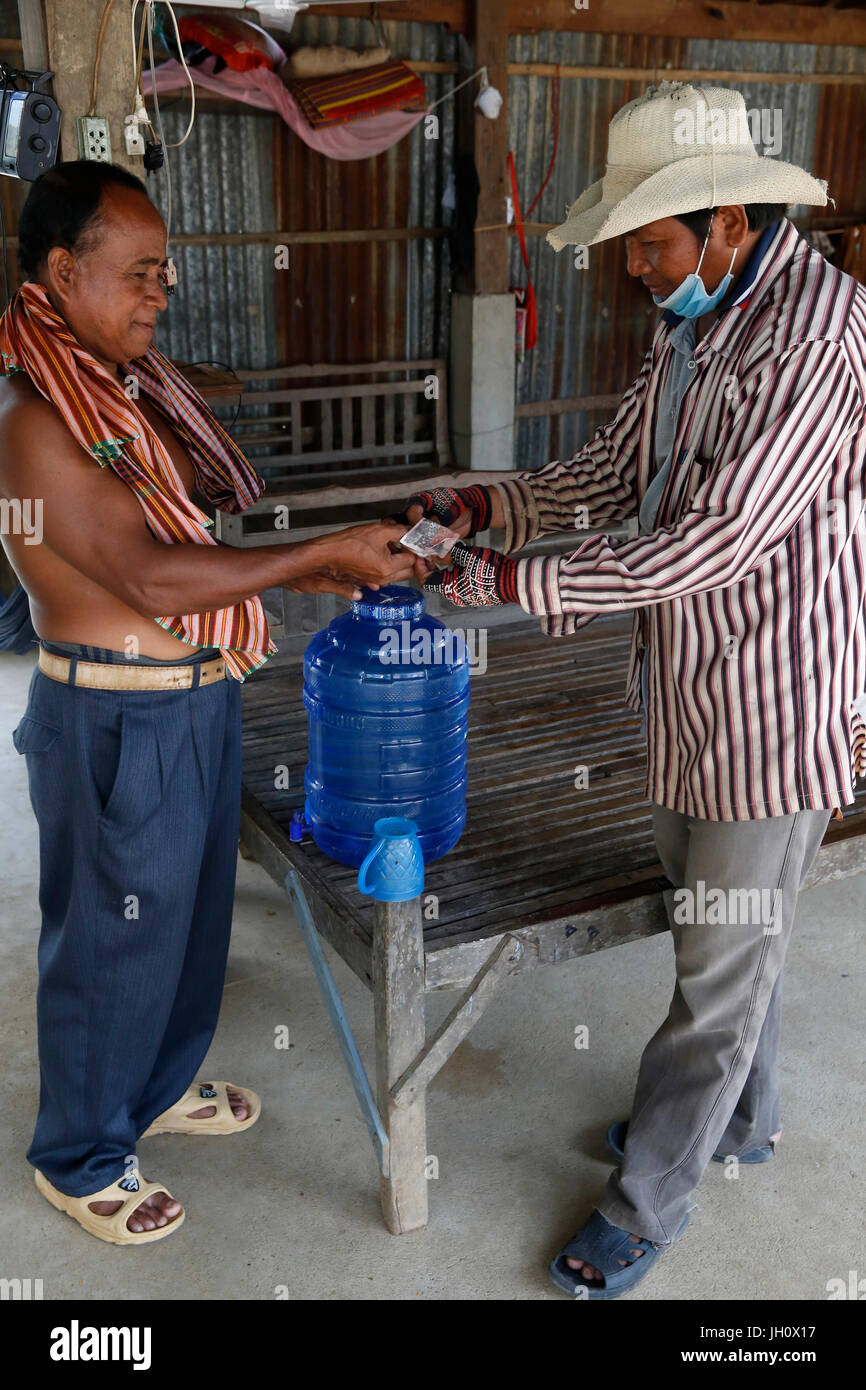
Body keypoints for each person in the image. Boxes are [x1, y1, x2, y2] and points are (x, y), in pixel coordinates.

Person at [405, 82, 866, 1299]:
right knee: (733, 934)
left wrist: (511, 579)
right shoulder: (691, 325)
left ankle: (647, 1199)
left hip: (769, 703)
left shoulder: (812, 338)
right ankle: (739, 1122)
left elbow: (714, 540)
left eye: (648, 246)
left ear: (724, 222)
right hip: (682, 689)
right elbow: (609, 474)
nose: (631, 271)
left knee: (715, 970)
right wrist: (483, 504)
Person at [0, 159, 413, 1246]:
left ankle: (156, 1083)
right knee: (109, 939)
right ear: (60, 269)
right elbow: (147, 576)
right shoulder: (39, 419)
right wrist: (310, 554)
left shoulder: (117, 394)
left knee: (185, 927)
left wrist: (298, 569)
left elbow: (196, 552)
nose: (159, 294)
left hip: (190, 694)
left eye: (164, 274)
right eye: (138, 274)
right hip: (117, 714)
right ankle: (82, 1154)